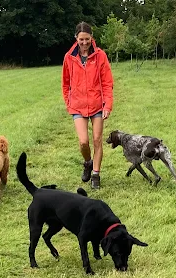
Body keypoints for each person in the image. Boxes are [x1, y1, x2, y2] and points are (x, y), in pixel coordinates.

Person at [62, 21, 114, 189]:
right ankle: (87, 162)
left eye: (87, 39)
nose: (84, 43)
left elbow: (107, 83)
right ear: (76, 38)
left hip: (97, 104)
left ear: (92, 38)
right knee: (84, 142)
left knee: (97, 140)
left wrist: (107, 105)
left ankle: (96, 175)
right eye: (81, 39)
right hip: (77, 105)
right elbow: (65, 83)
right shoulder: (69, 58)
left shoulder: (101, 56)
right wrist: (68, 102)